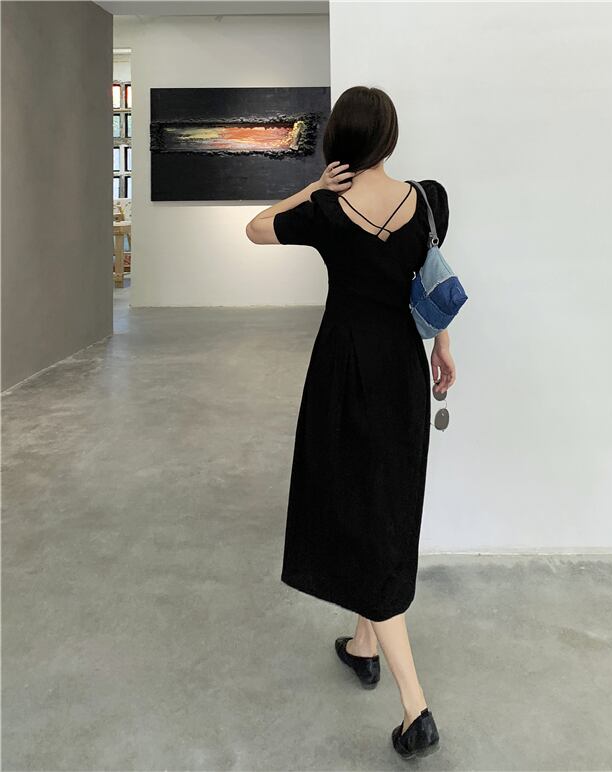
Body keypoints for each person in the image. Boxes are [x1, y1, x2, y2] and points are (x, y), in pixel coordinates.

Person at [245, 85, 455, 759]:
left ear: (341, 140)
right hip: (402, 368)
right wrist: (443, 347)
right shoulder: (427, 200)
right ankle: (363, 645)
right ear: (388, 137)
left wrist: (313, 188)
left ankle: (415, 708)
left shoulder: (327, 210)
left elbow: (255, 228)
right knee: (382, 502)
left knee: (363, 509)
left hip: (344, 368)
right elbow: (428, 279)